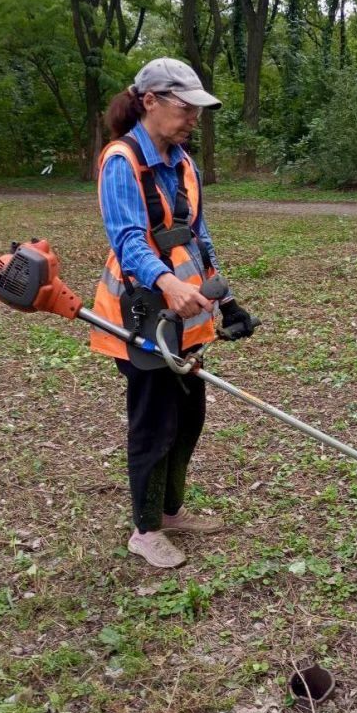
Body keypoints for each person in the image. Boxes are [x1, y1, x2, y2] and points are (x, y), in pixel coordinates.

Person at [90, 57, 255, 569]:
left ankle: (169, 512)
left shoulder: (184, 163)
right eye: (186, 109)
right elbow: (128, 240)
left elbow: (198, 235)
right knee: (154, 424)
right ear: (150, 101)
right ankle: (144, 531)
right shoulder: (122, 161)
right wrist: (166, 282)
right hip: (140, 314)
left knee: (188, 418)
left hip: (185, 314)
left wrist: (226, 300)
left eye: (197, 112)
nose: (193, 120)